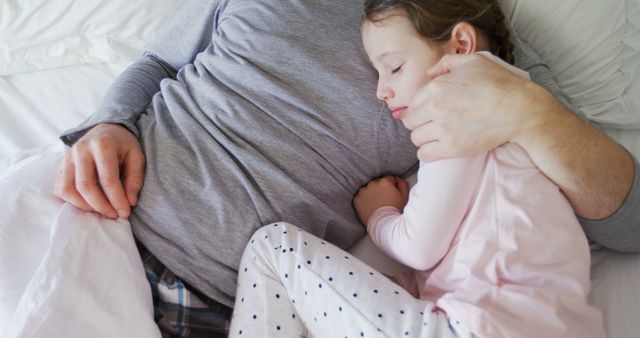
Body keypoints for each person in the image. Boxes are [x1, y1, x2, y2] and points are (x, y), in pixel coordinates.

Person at [53, 0, 639, 336]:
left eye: (391, 71)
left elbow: (626, 228)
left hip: (226, 305)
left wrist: (530, 113)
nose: (386, 91)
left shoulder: (475, 54)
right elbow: (157, 60)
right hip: (89, 208)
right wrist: (110, 123)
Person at [227, 1, 606, 337]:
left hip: (478, 327)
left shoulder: (461, 108)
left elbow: (419, 248)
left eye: (394, 67)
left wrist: (379, 215)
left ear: (460, 46)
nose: (381, 90)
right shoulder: (525, 126)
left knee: (272, 247)